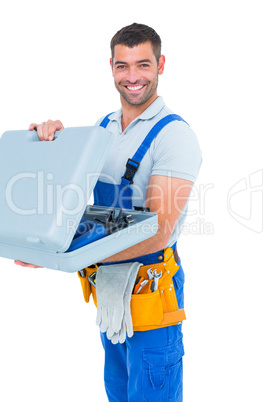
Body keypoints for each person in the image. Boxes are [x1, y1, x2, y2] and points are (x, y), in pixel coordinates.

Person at [15, 23, 202, 401]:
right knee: (119, 392)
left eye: (143, 65)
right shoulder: (104, 128)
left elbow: (158, 231)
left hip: (151, 288)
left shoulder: (174, 135)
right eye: (123, 66)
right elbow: (71, 199)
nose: (132, 77)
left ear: (161, 64)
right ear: (111, 67)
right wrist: (48, 144)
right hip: (110, 288)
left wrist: (63, 256)